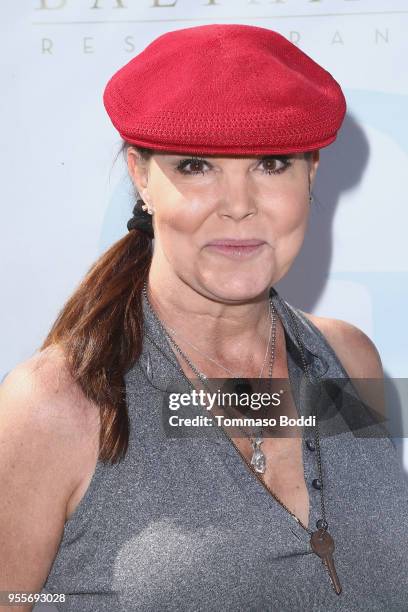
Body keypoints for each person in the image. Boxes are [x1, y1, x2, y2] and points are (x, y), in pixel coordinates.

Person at [1, 23, 407, 612]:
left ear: (312, 172)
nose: (238, 206)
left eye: (271, 164)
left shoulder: (345, 360)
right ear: (141, 176)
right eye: (196, 166)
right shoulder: (55, 406)